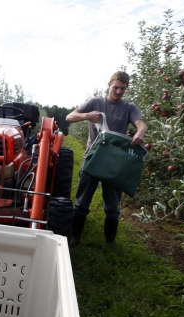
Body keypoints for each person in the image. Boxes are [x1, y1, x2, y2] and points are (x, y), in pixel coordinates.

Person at [66, 71, 148, 246]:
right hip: (93, 158)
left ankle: (110, 240)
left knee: (112, 206)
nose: (118, 92)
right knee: (82, 202)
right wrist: (86, 116)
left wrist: (140, 132)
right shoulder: (96, 102)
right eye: (116, 87)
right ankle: (75, 236)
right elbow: (69, 117)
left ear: (126, 89)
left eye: (122, 89)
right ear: (109, 85)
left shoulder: (129, 108)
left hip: (115, 162)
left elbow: (141, 123)